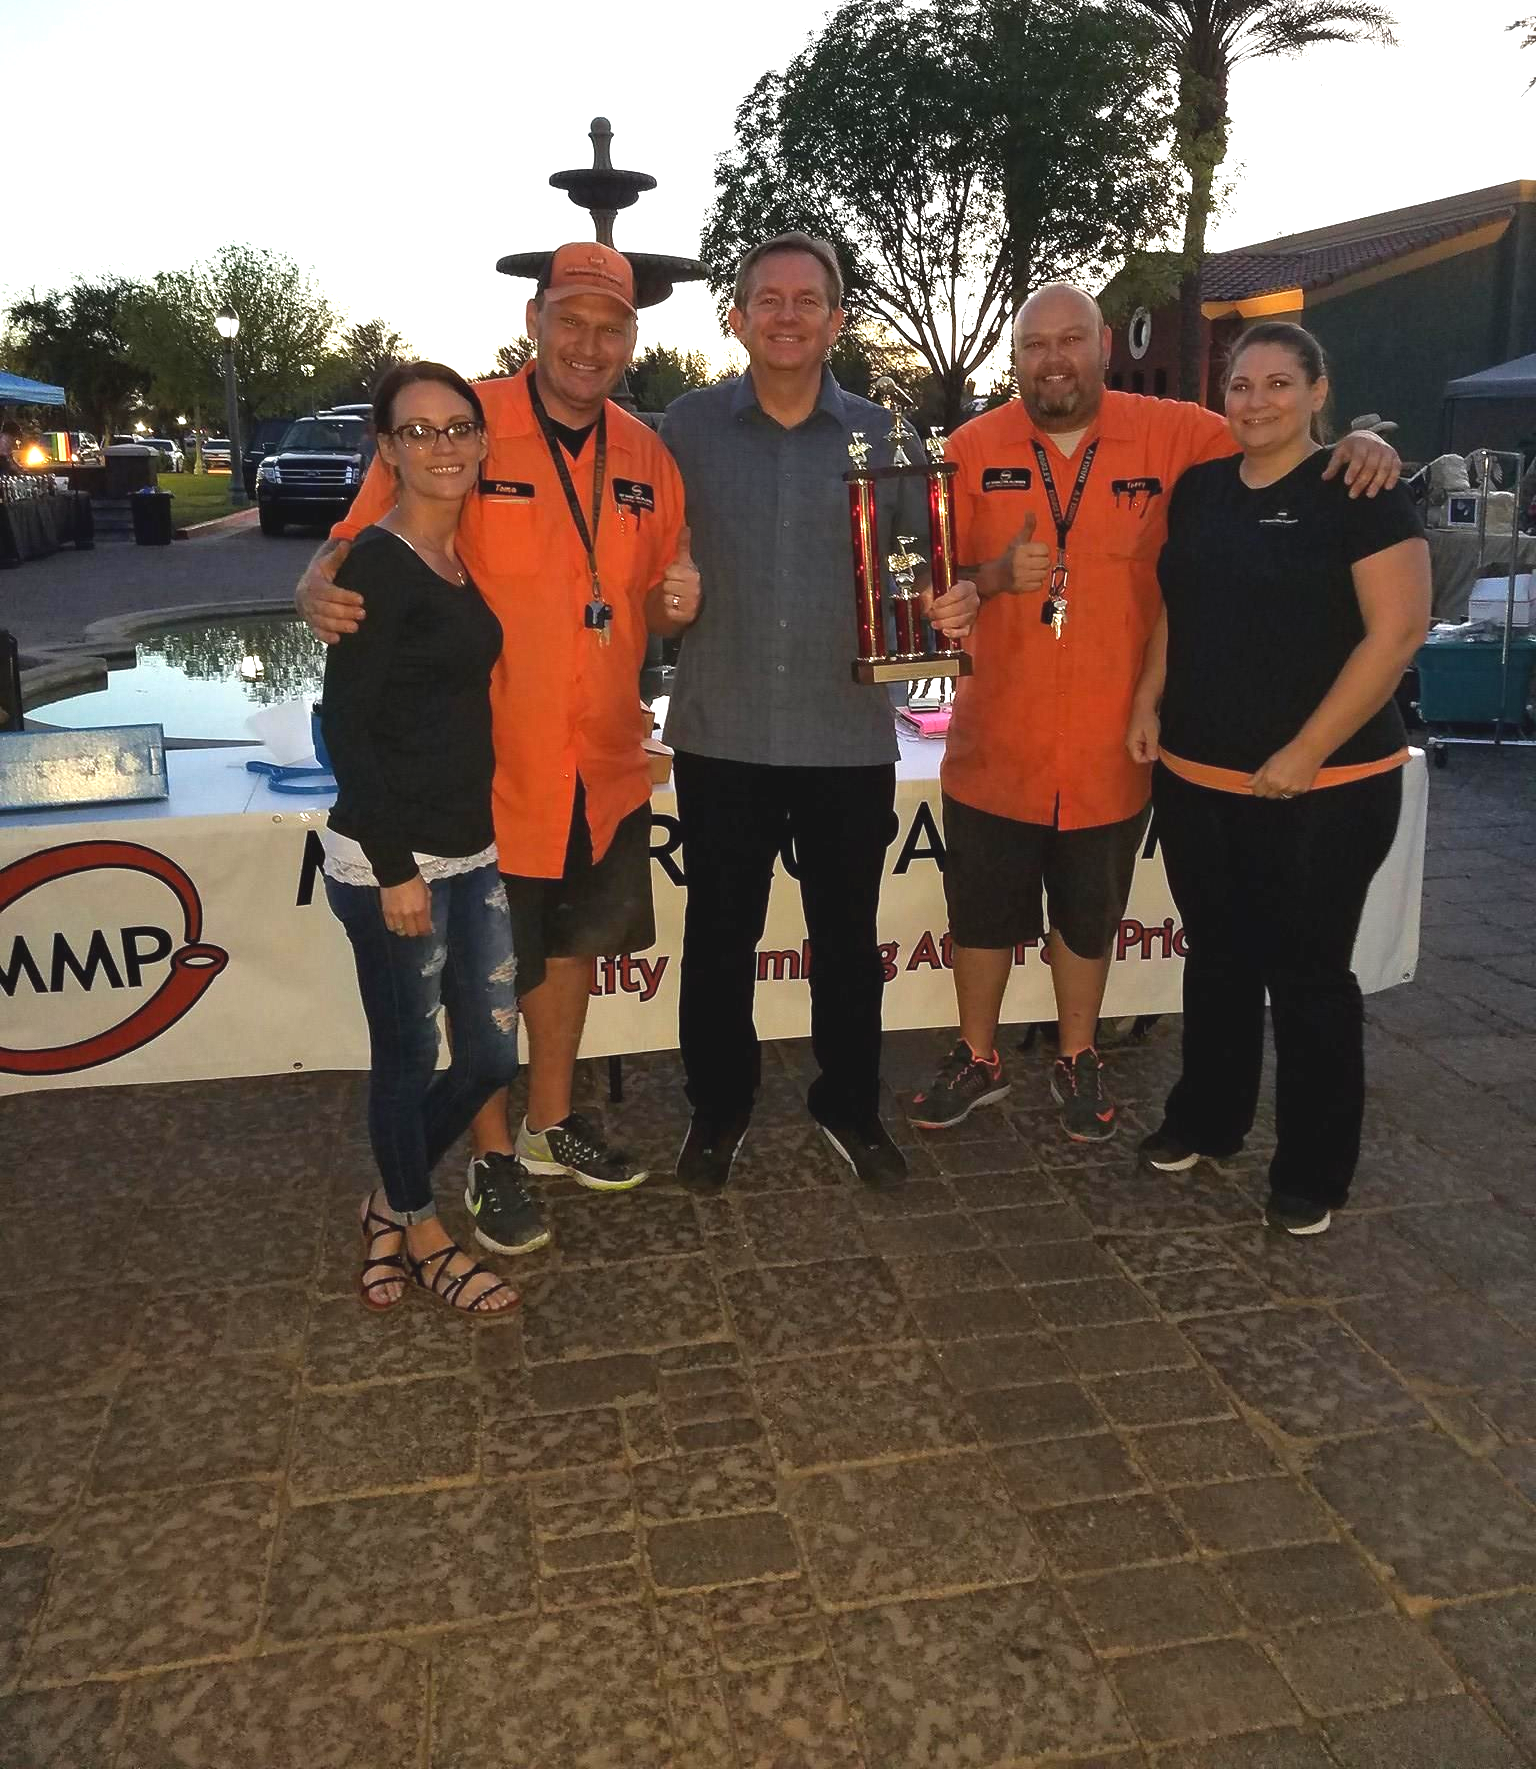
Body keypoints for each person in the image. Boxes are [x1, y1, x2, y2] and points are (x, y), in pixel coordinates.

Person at [908, 284, 1401, 1145]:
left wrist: (1356, 441)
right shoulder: (969, 445)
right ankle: (976, 1056)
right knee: (982, 914)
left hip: (1115, 741)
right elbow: (923, 580)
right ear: (1015, 358)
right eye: (1034, 346)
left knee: (1089, 914)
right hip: (997, 737)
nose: (1053, 359)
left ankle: (1076, 1054)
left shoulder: (1180, 433)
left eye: (1070, 340)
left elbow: (1277, 440)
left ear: (1102, 345)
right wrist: (985, 581)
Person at [297, 244, 693, 1231]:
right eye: (571, 320)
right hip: (491, 772)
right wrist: (311, 581)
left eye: (610, 326)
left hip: (601, 763)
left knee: (568, 957)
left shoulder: (647, 453)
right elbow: (357, 544)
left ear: (631, 339)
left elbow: (659, 593)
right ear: (534, 320)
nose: (588, 344)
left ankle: (554, 1121)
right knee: (489, 985)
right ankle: (492, 1154)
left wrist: (684, 592)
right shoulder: (465, 423)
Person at [658, 233, 978, 1194]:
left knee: (848, 940)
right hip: (722, 731)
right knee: (718, 939)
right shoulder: (686, 427)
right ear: (739, 315)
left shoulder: (885, 437)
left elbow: (923, 573)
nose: (788, 315)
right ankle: (719, 1109)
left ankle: (849, 1101)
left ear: (837, 319)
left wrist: (951, 603)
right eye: (769, 299)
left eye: (809, 300)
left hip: (844, 735)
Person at [1126, 321, 1429, 1235]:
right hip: (1196, 775)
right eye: (1242, 386)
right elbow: (1179, 609)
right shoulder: (1203, 489)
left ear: (1319, 391)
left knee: (1308, 976)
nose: (1256, 402)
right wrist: (1149, 698)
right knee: (1215, 957)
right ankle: (1208, 1120)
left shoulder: (1360, 492)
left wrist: (1307, 750)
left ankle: (1312, 1169)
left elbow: (1399, 632)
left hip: (1327, 788)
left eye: (1278, 385)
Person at [321, 361, 524, 1315]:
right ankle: (424, 1229)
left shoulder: (454, 556)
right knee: (407, 1059)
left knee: (486, 1059)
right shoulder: (376, 560)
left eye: (458, 428)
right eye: (420, 430)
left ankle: (385, 1200)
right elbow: (347, 728)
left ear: (482, 442)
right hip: (390, 858)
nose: (443, 445)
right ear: (389, 450)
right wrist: (396, 869)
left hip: (471, 847)